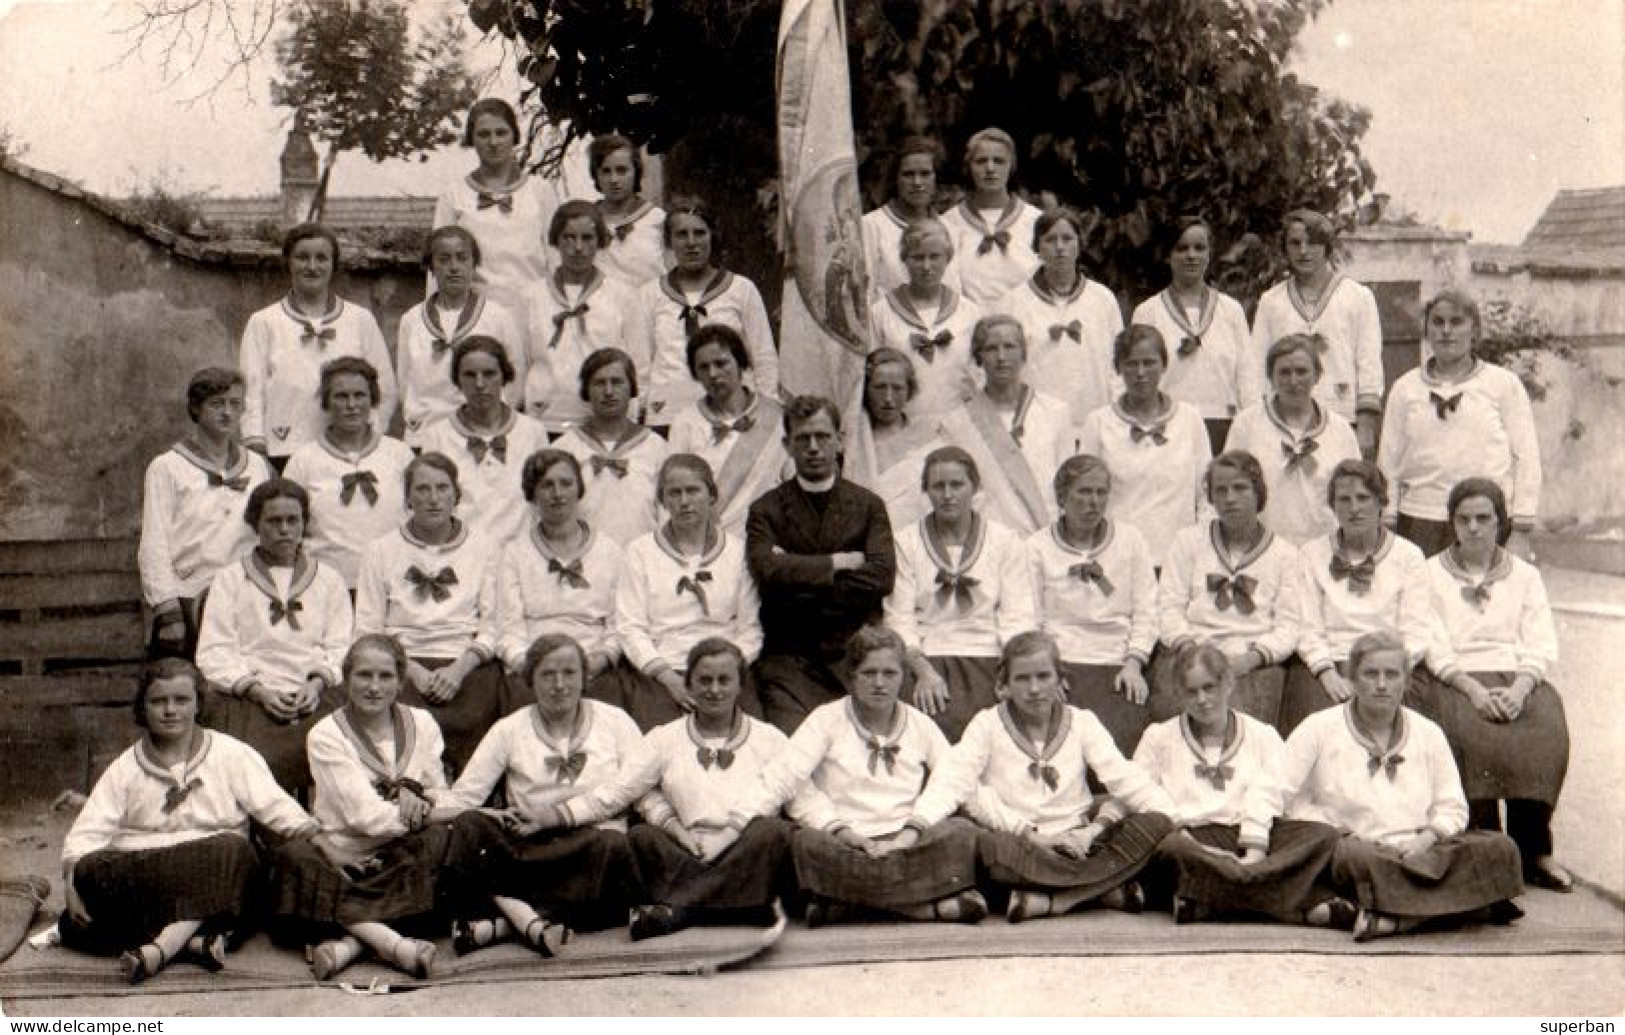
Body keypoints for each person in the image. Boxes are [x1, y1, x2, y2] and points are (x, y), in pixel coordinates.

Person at [1243, 630, 1525, 941]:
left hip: (1421, 849)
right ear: (1352, 678)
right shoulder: (1319, 728)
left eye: (1391, 675)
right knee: (1356, 859)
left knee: (1501, 848)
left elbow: (1453, 806)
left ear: (1405, 681)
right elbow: (1269, 788)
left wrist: (1425, 841)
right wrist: (1255, 849)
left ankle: (1395, 918)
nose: (1381, 684)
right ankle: (1462, 906)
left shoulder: (1428, 732)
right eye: (1370, 674)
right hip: (1358, 850)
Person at [60, 659, 318, 983]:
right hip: (154, 873)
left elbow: (276, 807)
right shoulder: (125, 767)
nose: (170, 710)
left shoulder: (231, 754)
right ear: (144, 707)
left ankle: (163, 947)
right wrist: (72, 881)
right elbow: (88, 831)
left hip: (219, 865)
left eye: (181, 700)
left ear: (198, 704)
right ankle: (193, 942)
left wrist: (315, 833)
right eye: (158, 701)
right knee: (87, 880)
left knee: (238, 854)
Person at [524, 639, 792, 939]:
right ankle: (740, 906)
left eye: (724, 680)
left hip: (744, 846)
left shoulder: (771, 739)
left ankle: (682, 912)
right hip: (687, 849)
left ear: (741, 684)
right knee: (641, 837)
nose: (714, 690)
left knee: (774, 832)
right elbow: (616, 792)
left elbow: (800, 800)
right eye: (704, 680)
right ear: (688, 683)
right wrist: (555, 816)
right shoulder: (664, 739)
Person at [269, 635, 499, 980]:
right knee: (295, 858)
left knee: (440, 843)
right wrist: (427, 809)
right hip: (346, 853)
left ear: (401, 679)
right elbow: (368, 818)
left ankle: (353, 943)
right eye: (364, 675)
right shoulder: (326, 733)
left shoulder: (421, 722)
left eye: (385, 676)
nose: (374, 687)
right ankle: (396, 944)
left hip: (403, 848)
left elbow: (442, 793)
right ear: (346, 679)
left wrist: (418, 795)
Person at [907, 631, 1177, 922]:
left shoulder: (1082, 722)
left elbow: (1125, 778)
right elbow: (954, 783)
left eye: (1043, 676)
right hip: (1023, 844)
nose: (1034, 688)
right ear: (1004, 685)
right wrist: (915, 826)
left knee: (1154, 822)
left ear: (1060, 680)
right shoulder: (987, 724)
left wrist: (1091, 833)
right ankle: (1099, 890)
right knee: (989, 847)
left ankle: (1058, 899)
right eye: (1022, 678)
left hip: (1081, 843)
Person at [743, 626, 986, 925]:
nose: (879, 683)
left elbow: (952, 781)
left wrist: (908, 835)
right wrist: (844, 833)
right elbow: (789, 780)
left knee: (961, 831)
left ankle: (847, 906)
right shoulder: (826, 720)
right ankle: (921, 907)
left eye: (890, 673)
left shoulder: (920, 724)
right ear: (851, 677)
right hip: (847, 843)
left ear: (904, 677)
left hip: (907, 841)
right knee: (805, 842)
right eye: (869, 673)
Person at [434, 634, 644, 947]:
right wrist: (422, 798)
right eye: (547, 674)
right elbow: (466, 797)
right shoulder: (509, 729)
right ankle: (539, 918)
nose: (559, 684)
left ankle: (508, 922)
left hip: (589, 845)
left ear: (586, 677)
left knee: (616, 846)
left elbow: (635, 788)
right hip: (528, 847)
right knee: (469, 826)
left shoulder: (615, 722)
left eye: (569, 673)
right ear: (530, 679)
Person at [1417, 478, 1571, 892]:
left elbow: (1539, 641)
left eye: (1483, 518)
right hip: (1458, 679)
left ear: (1500, 522)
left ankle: (1533, 849)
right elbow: (1432, 643)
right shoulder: (1430, 574)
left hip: (1515, 676)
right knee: (1470, 733)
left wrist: (1520, 690)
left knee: (1546, 728)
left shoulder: (1525, 576)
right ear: (1452, 523)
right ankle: (1485, 853)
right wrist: (1473, 690)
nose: (1474, 528)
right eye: (1463, 519)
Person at [1136, 643, 1350, 928]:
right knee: (1169, 848)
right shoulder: (1159, 737)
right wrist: (1191, 841)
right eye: (1191, 691)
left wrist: (1329, 824)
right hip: (1193, 841)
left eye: (1209, 687)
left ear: (1228, 684)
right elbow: (1138, 794)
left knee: (1323, 835)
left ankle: (1209, 901)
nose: (1202, 699)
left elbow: (1289, 796)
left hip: (1252, 838)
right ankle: (1289, 908)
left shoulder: (1262, 735)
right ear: (1179, 695)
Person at [746, 396, 896, 734]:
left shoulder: (868, 505)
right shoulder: (766, 510)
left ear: (839, 440)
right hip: (789, 659)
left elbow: (881, 578)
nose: (813, 447)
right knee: (794, 746)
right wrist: (837, 563)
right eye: (802, 439)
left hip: (854, 655)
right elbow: (767, 573)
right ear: (787, 445)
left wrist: (795, 573)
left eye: (822, 437)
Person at [196, 479, 352, 792]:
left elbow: (341, 645)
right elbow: (213, 651)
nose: (284, 529)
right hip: (253, 695)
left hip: (314, 694)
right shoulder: (230, 579)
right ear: (256, 524)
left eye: (292, 520)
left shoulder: (330, 580)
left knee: (340, 749)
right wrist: (258, 691)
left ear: (304, 524)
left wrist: (316, 683)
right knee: (250, 759)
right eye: (273, 521)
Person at [354, 452, 505, 774]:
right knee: (403, 729)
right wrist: (412, 670)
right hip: (403, 663)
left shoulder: (486, 548)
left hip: (465, 662)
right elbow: (368, 629)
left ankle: (469, 806)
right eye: (422, 489)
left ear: (456, 495)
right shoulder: (380, 550)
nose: (433, 499)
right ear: (408, 498)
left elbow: (493, 625)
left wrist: (458, 670)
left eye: (442, 488)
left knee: (482, 715)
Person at [885, 446, 1037, 741]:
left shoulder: (1005, 541)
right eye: (938, 486)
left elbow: (1018, 616)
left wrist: (1009, 672)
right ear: (925, 490)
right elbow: (899, 619)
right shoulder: (905, 542)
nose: (947, 494)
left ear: (975, 487)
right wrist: (923, 672)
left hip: (990, 656)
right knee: (924, 730)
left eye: (957, 484)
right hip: (929, 656)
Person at [1378, 289, 1542, 558]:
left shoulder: (1502, 384)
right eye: (1437, 322)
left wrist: (1521, 530)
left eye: (1456, 322)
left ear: (1474, 331)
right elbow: (1389, 461)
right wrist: (1388, 520)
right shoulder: (1405, 388)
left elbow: (1526, 456)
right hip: (1420, 520)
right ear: (1426, 330)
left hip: (1485, 520)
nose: (1446, 331)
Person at [613, 454, 763, 731]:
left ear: (711, 495)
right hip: (664, 671)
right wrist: (669, 678)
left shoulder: (738, 552)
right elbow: (630, 628)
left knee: (747, 745)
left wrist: (722, 673)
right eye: (674, 493)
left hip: (726, 670)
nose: (684, 501)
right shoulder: (639, 552)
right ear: (663, 501)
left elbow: (750, 629)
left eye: (693, 490)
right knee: (661, 746)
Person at [1154, 452, 1303, 730]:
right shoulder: (1188, 542)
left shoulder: (1285, 555)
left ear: (1258, 493)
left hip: (1251, 662)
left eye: (1240, 488)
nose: (1230, 498)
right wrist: (1190, 649)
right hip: (1192, 650)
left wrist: (1249, 659)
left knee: (1241, 731)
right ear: (1210, 498)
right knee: (1175, 726)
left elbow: (1289, 627)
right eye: (1220, 490)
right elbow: (1168, 607)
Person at [1282, 460, 1432, 735]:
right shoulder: (1311, 555)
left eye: (1363, 498)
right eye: (1344, 500)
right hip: (1329, 665)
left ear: (1381, 503)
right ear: (1333, 506)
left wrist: (1381, 674)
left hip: (1389, 665)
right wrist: (1325, 673)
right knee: (1316, 727)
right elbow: (1307, 626)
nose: (1354, 508)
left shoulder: (1409, 556)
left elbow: (1416, 630)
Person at [138, 368, 273, 659]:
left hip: (246, 593)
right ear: (196, 409)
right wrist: (166, 606)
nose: (227, 413)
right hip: (191, 593)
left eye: (235, 404)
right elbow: (154, 542)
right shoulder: (167, 467)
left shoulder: (256, 466)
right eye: (217, 404)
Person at [1027, 455, 1158, 754]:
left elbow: (1147, 609)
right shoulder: (1036, 547)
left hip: (1116, 661)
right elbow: (1030, 617)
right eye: (1084, 492)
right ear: (1062, 497)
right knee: (1058, 740)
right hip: (1061, 662)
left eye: (1101, 493)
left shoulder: (1131, 540)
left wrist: (1134, 663)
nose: (1093, 502)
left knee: (1122, 736)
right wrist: (1047, 670)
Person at [238, 223, 397, 464]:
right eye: (302, 258)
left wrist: (368, 433)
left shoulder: (360, 319)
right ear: (288, 262)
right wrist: (255, 440)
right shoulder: (264, 322)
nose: (312, 267)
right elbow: (251, 389)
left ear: (333, 265)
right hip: (283, 448)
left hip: (346, 450)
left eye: (321, 258)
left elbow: (384, 386)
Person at [628, 196, 778, 429]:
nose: (691, 242)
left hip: (732, 414)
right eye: (681, 234)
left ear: (712, 236)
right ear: (669, 242)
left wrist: (767, 412)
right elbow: (640, 366)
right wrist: (637, 413)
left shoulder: (741, 289)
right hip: (668, 415)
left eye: (699, 233)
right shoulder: (648, 295)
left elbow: (764, 357)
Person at [1076, 324, 1212, 568]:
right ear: (1118, 368)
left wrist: (1197, 549)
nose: (1141, 372)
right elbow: (1085, 495)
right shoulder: (1097, 422)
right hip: (1118, 560)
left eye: (1149, 363)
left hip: (1178, 560)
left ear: (1163, 365)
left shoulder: (1190, 419)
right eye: (1131, 363)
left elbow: (1206, 494)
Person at [1249, 210, 1384, 455]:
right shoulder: (1271, 301)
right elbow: (1258, 366)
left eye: (1312, 243)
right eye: (1295, 243)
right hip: (1285, 418)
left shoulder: (1358, 297)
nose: (1303, 251)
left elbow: (1369, 364)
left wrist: (1365, 426)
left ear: (1327, 247)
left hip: (1342, 415)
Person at [494, 450, 623, 704]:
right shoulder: (514, 553)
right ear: (532, 495)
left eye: (566, 483)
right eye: (546, 485)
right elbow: (507, 630)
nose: (558, 493)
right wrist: (530, 667)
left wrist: (599, 660)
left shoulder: (610, 551)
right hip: (533, 669)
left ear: (579, 489)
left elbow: (619, 626)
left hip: (592, 666)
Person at [283, 358, 415, 589]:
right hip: (327, 586)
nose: (351, 404)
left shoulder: (400, 455)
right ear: (326, 402)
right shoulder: (303, 461)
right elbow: (289, 529)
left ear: (372, 399)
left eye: (360, 395)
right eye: (341, 396)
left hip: (394, 582)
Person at [432, 98, 563, 329]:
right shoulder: (453, 196)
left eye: (501, 133)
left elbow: (556, 261)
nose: (493, 142)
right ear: (471, 139)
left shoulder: (541, 191)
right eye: (484, 134)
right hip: (476, 318)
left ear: (514, 136)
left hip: (533, 317)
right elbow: (438, 266)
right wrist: (441, 322)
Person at [1132, 216, 1257, 453]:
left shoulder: (1230, 310)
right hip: (1169, 423)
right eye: (1182, 248)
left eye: (1199, 248)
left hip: (1223, 422)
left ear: (1209, 254)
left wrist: (1251, 424)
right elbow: (1136, 373)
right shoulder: (1148, 312)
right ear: (1168, 255)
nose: (1191, 255)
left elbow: (1246, 374)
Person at [1222, 333, 1361, 546]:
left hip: (1325, 549)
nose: (1293, 381)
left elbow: (1355, 494)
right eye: (1284, 372)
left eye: (1302, 371)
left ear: (1317, 375)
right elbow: (1228, 486)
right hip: (1263, 549)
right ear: (1270, 377)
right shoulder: (1247, 425)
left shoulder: (1341, 431)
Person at [395, 225, 527, 446]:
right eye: (444, 259)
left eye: (462, 258)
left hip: (480, 434)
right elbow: (404, 381)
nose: (454, 267)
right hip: (425, 435)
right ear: (431, 267)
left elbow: (515, 377)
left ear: (474, 265)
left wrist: (495, 421)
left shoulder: (498, 317)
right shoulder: (411, 319)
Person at [997, 206, 1122, 433]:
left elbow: (1118, 364)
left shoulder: (1103, 299)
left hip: (1094, 421)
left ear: (1080, 244)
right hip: (1036, 425)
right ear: (1037, 247)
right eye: (1050, 240)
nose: (1060, 247)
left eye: (1067, 238)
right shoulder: (1013, 303)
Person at [416, 336, 550, 545]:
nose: (479, 384)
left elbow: (542, 504)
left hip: (520, 556)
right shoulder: (437, 436)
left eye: (489, 374)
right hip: (463, 556)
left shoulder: (533, 432)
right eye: (470, 375)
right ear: (457, 380)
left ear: (504, 376)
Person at [522, 200, 637, 434]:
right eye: (568, 237)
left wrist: (630, 417)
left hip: (603, 420)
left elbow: (637, 363)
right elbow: (519, 362)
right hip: (545, 419)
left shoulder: (623, 295)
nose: (577, 247)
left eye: (587, 238)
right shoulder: (531, 296)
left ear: (600, 242)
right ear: (555, 241)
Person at [668, 324, 791, 537]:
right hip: (710, 543)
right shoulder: (684, 423)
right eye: (703, 367)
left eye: (721, 363)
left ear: (740, 363)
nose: (713, 374)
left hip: (769, 540)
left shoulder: (777, 417)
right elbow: (674, 491)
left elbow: (792, 485)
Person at [961, 314, 1074, 526]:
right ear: (979, 357)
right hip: (988, 536)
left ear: (1023, 354)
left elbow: (1067, 485)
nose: (1001, 356)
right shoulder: (963, 418)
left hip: (1044, 531)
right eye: (991, 348)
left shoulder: (1056, 412)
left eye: (1010, 346)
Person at [868, 218, 982, 423]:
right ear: (905, 259)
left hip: (958, 426)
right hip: (903, 428)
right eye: (918, 258)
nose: (927, 266)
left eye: (935, 256)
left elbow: (979, 377)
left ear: (948, 258)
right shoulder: (880, 313)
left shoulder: (969, 312)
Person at [553, 348, 669, 546]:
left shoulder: (657, 448)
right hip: (585, 561)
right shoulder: (564, 449)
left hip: (642, 562)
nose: (608, 391)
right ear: (586, 391)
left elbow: (668, 515)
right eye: (599, 383)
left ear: (631, 388)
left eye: (616, 382)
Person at [848, 347, 950, 533]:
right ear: (865, 389)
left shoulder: (929, 436)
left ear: (909, 390)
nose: (888, 398)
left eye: (897, 388)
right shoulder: (853, 442)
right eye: (879, 387)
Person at [939, 127, 1041, 306]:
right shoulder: (948, 223)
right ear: (968, 167)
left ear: (1011, 166)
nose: (990, 168)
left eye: (999, 161)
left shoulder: (1036, 221)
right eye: (981, 161)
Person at [861, 136, 961, 303]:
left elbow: (956, 291)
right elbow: (866, 295)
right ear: (896, 179)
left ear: (936, 178)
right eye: (908, 174)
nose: (917, 182)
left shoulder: (950, 228)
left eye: (925, 174)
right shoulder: (872, 226)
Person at [588, 133, 666, 289]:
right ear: (596, 175)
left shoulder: (658, 220)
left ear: (636, 172)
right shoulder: (585, 220)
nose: (614, 179)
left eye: (622, 170)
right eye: (606, 171)